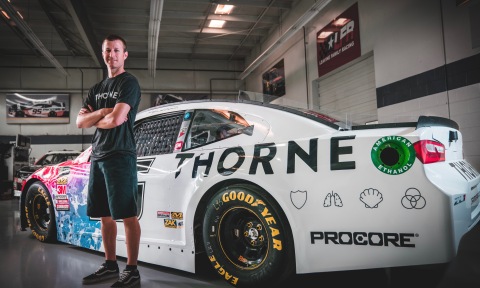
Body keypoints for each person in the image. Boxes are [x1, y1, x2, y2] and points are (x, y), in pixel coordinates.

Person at [76, 34, 141, 288]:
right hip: (98, 155)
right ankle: (111, 265)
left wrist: (98, 117)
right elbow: (80, 122)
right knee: (104, 215)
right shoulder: (96, 89)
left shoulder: (129, 83)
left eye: (116, 50)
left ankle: (132, 270)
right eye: (107, 50)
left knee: (127, 215)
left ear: (124, 55)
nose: (111, 55)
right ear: (102, 54)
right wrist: (104, 111)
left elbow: (117, 121)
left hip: (120, 154)